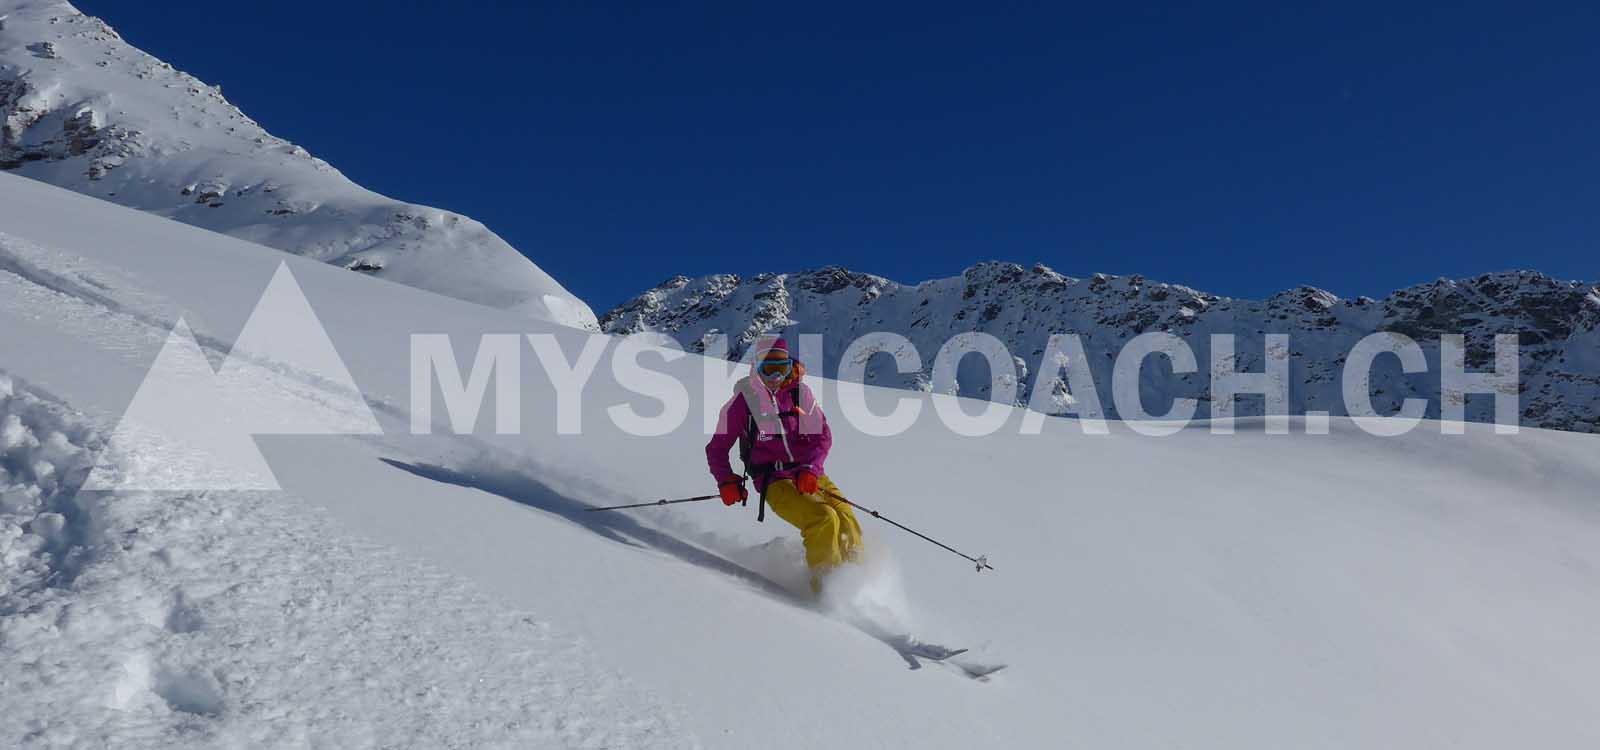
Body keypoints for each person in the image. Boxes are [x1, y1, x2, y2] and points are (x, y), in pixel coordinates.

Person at [706, 338, 863, 593]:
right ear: (757, 368)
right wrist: (726, 480)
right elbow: (716, 449)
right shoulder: (742, 404)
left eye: (783, 367)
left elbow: (822, 436)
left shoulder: (800, 394)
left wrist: (811, 468)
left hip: (808, 473)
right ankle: (827, 591)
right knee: (824, 519)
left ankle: (856, 584)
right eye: (769, 368)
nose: (776, 376)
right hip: (774, 480)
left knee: (846, 517)